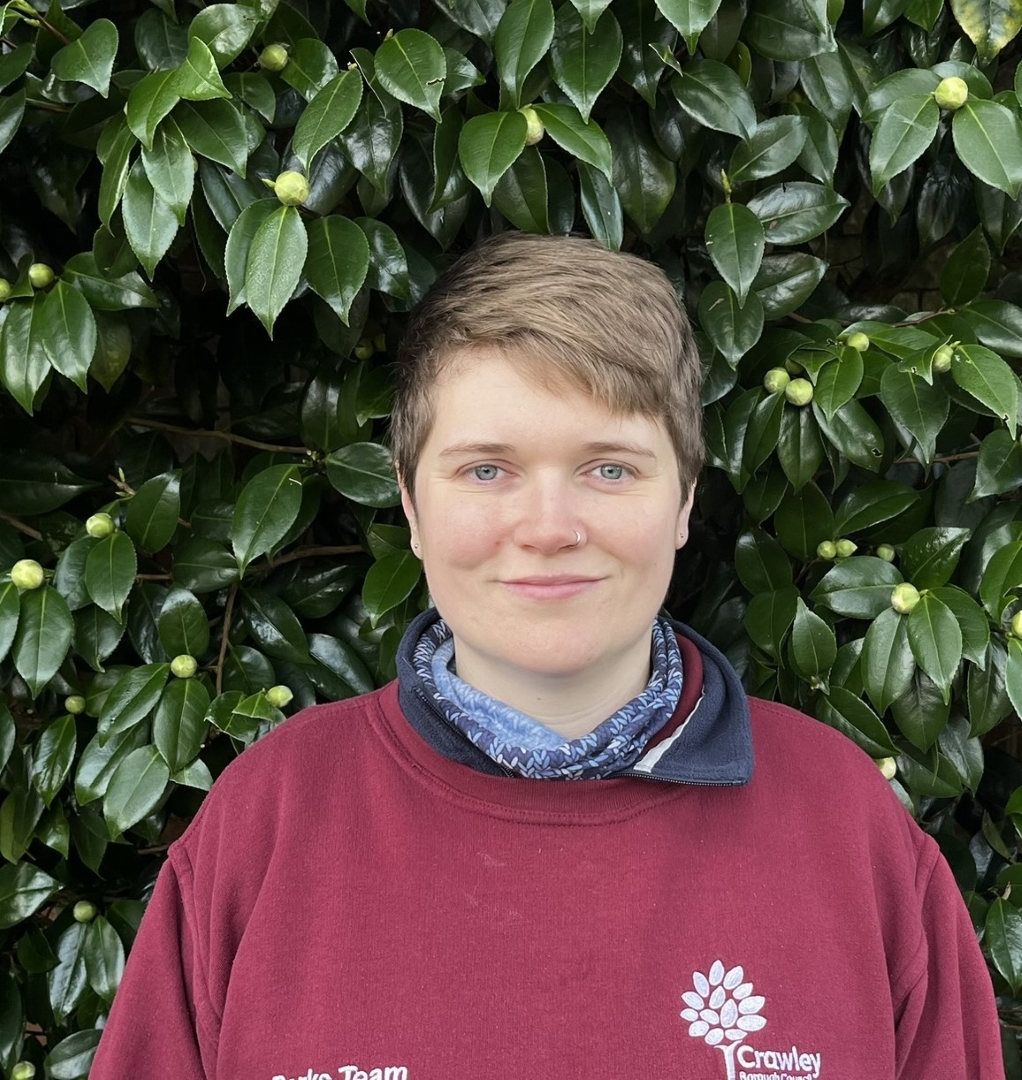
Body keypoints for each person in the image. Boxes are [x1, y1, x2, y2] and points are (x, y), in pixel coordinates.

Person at [91, 232, 1003, 1079]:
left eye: (610, 468)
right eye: (486, 469)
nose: (550, 528)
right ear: (410, 504)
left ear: (685, 499)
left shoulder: (851, 829)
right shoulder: (268, 821)